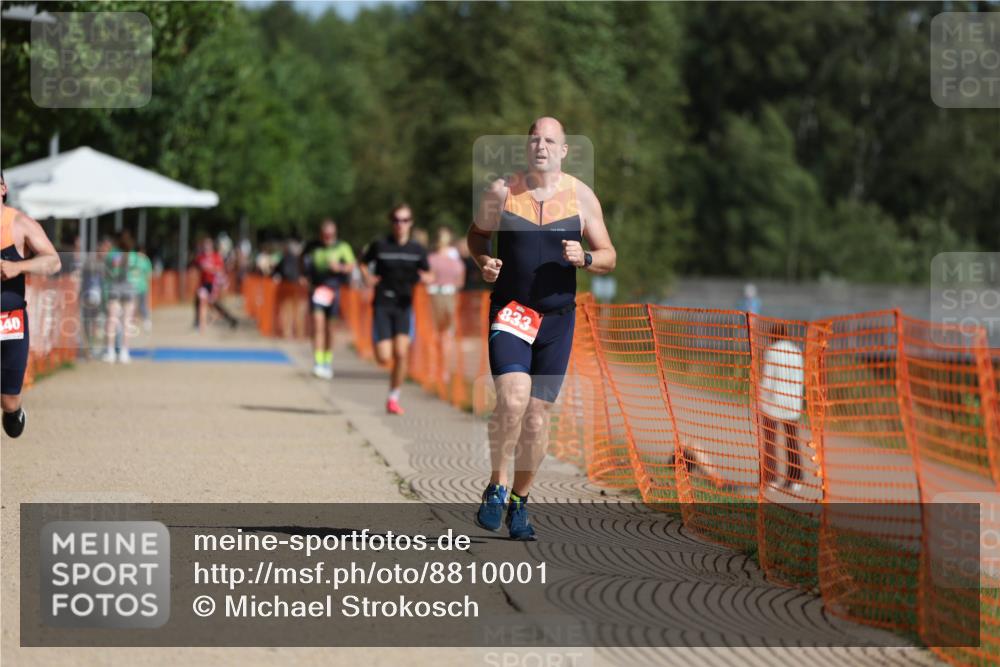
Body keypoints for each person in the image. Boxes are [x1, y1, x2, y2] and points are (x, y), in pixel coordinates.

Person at [467, 117, 616, 540]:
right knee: (513, 399)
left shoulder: (581, 197)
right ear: (526, 146)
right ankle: (497, 486)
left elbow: (609, 255)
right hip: (512, 314)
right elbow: (476, 237)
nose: (541, 146)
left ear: (564, 150)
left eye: (550, 140)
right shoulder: (502, 191)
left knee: (536, 417)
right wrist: (484, 261)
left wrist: (586, 258)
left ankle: (520, 502)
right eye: (534, 139)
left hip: (557, 320)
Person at [0, 171, 62, 438]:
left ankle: (14, 411)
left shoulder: (21, 224)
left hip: (9, 320)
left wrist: (18, 267)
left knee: (9, 401)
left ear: (2, 188)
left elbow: (53, 261)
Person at [359, 204, 430, 415]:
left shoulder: (417, 249)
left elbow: (428, 272)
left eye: (405, 220)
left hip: (404, 306)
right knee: (383, 357)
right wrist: (367, 277)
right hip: (382, 304)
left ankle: (393, 398)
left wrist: (427, 278)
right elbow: (362, 263)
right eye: (397, 220)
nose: (400, 224)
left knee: (401, 352)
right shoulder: (380, 245)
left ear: (411, 223)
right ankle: (378, 343)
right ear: (391, 222)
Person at [303, 220, 356, 379]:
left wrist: (339, 267)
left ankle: (327, 360)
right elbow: (302, 260)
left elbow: (352, 265)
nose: (328, 237)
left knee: (330, 329)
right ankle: (318, 362)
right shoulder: (313, 247)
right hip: (317, 291)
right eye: (325, 235)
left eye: (330, 235)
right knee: (317, 325)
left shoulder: (342, 247)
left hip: (334, 291)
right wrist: (303, 276)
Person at [758, 323, 805, 494]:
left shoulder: (772, 351)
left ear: (772, 335)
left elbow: (768, 380)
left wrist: (760, 401)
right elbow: (800, 379)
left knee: (770, 441)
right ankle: (795, 479)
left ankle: (771, 479)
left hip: (774, 403)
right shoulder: (797, 352)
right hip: (793, 403)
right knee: (792, 442)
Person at [427, 226, 466, 390]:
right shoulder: (433, 259)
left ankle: (441, 370)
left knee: (443, 335)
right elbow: (459, 281)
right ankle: (436, 369)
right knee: (438, 335)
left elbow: (459, 281)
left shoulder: (450, 261)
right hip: (437, 297)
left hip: (445, 297)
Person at [102, 230, 142, 363]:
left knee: (112, 320)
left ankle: (110, 351)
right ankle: (125, 352)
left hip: (115, 286)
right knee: (127, 321)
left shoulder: (112, 254)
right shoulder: (134, 255)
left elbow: (107, 270)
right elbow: (137, 271)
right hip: (129, 287)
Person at [194, 237, 238, 332]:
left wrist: (211, 269)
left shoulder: (216, 257)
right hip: (204, 284)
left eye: (208, 244)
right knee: (202, 302)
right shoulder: (201, 257)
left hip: (214, 285)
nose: (207, 247)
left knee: (213, 304)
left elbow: (220, 270)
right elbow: (198, 266)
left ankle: (228, 318)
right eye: (205, 245)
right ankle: (201, 325)